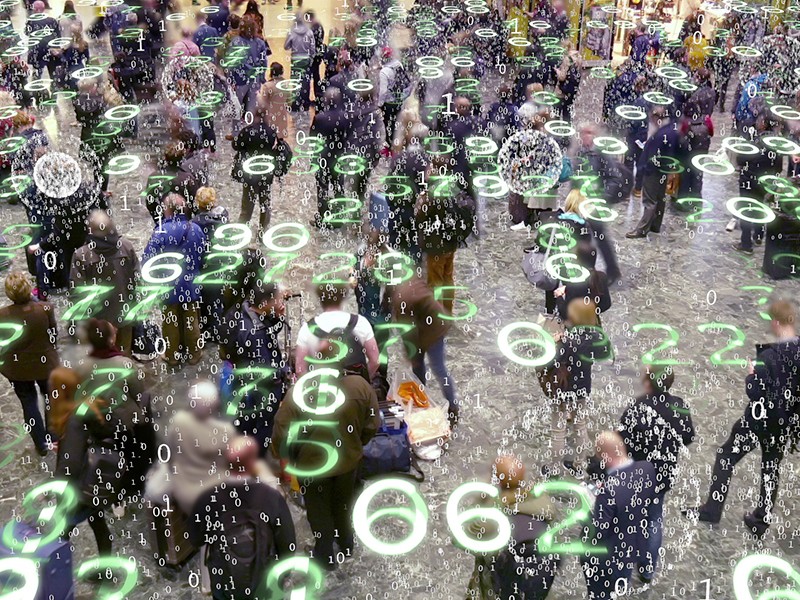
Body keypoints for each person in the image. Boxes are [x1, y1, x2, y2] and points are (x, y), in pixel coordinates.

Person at [686, 300, 800, 536]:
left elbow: (756, 392)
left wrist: (751, 375)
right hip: (784, 422)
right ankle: (761, 519)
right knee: (771, 467)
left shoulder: (768, 356)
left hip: (758, 421)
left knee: (726, 456)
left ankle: (712, 510)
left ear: (776, 323)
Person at [272, 347, 380, 570]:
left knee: (319, 511)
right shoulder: (360, 386)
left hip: (312, 467)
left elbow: (281, 433)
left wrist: (286, 457)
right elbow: (372, 423)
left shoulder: (298, 394)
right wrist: (357, 443)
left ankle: (325, 555)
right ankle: (346, 544)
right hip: (348, 462)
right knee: (344, 504)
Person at [190, 436, 296, 600]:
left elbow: (195, 539)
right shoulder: (271, 497)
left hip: (225, 584)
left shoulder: (208, 499)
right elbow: (288, 545)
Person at [619, 365, 695, 582]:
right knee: (654, 518)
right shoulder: (679, 405)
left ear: (648, 382)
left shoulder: (638, 406)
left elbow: (623, 440)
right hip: (663, 473)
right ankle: (647, 569)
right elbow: (688, 437)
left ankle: (624, 568)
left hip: (638, 473)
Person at [464, 455, 559, 599]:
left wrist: (483, 497)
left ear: (497, 480)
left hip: (498, 588)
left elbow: (462, 537)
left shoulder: (490, 519)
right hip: (536, 586)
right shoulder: (543, 502)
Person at [581, 431, 657, 599]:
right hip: (631, 546)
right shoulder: (647, 468)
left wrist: (588, 508)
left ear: (606, 457)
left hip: (608, 556)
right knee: (620, 581)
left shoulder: (609, 491)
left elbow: (598, 531)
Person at [542, 299, 611, 478]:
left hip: (563, 390)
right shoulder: (595, 339)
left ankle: (554, 469)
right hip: (582, 388)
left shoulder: (568, 341)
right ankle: (579, 465)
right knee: (580, 425)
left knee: (558, 429)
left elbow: (551, 362)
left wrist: (554, 343)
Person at [220, 282, 288, 455]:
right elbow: (267, 372)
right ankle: (256, 455)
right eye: (279, 299)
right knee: (263, 424)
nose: (282, 302)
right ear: (265, 303)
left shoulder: (240, 310)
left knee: (243, 419)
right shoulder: (256, 335)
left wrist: (277, 317)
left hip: (239, 376)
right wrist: (284, 372)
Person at [142, 194, 206, 367]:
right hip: (191, 283)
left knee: (170, 321)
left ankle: (172, 355)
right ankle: (194, 353)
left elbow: (147, 259)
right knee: (191, 318)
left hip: (168, 285)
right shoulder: (196, 229)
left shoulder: (161, 232)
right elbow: (202, 254)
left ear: (167, 210)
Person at [388, 273, 459, 426]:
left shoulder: (401, 298)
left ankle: (449, 406)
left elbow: (408, 332)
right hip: (435, 323)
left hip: (433, 330)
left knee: (436, 367)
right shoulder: (408, 281)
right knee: (430, 367)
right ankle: (425, 398)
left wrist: (411, 354)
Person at [0, 272, 59, 456]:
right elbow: (53, 336)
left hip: (17, 368)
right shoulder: (45, 309)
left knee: (29, 403)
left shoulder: (2, 315)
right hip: (45, 364)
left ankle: (41, 445)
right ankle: (54, 438)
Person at [165, 380, 243, 515]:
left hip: (184, 492)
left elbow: (170, 456)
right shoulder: (226, 431)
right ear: (215, 404)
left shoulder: (178, 421)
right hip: (214, 493)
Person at [70, 210, 140, 355]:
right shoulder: (126, 247)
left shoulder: (82, 255)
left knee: (100, 358)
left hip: (97, 324)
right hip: (124, 315)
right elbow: (137, 280)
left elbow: (77, 293)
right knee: (124, 355)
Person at [295, 282, 380, 380]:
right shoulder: (360, 323)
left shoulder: (307, 329)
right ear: (343, 296)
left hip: (322, 386)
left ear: (320, 298)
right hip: (355, 385)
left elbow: (300, 370)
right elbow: (375, 361)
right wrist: (363, 381)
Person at [626, 106, 683, 239]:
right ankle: (655, 225)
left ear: (658, 117)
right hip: (662, 169)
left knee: (649, 200)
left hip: (653, 170)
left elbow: (654, 154)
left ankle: (642, 229)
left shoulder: (662, 134)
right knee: (660, 197)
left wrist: (645, 168)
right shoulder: (671, 129)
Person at [232, 107, 282, 233]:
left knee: (246, 207)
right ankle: (262, 232)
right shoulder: (271, 132)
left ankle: (242, 232)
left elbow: (236, 146)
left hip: (250, 175)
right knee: (265, 205)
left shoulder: (247, 131)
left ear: (254, 116)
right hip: (266, 174)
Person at [284, 12, 315, 112]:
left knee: (295, 81)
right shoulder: (309, 32)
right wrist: (310, 58)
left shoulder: (292, 32)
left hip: (296, 60)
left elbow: (286, 46)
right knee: (306, 81)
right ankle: (305, 104)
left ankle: (296, 104)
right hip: (306, 59)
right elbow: (312, 49)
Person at [257, 63, 291, 142]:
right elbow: (289, 101)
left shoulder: (267, 86)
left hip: (270, 115)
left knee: (269, 137)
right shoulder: (285, 85)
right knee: (280, 137)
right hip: (282, 114)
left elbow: (263, 102)